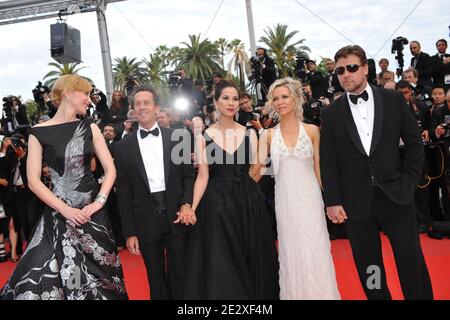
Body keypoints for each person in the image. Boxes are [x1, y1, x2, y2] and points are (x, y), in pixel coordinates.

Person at [320, 45, 433, 300]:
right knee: (370, 268)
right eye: (340, 70)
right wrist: (333, 200)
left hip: (396, 194)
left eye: (351, 68)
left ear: (365, 68)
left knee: (410, 260)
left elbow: (415, 144)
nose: (345, 74)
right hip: (356, 202)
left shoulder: (392, 100)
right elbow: (328, 161)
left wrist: (408, 181)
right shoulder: (331, 113)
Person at [0, 75, 128, 300]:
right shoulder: (38, 132)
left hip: (93, 218)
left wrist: (99, 202)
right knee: (39, 275)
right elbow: (33, 181)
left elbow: (110, 170)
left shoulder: (91, 127)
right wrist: (65, 210)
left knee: (100, 280)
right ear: (68, 93)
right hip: (58, 217)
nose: (90, 100)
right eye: (85, 94)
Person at [183, 80, 279, 299]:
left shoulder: (250, 133)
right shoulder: (202, 138)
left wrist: (243, 190)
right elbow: (203, 176)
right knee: (221, 260)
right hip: (216, 206)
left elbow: (257, 168)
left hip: (248, 203)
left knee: (252, 257)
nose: (231, 103)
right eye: (225, 98)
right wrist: (191, 207)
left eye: (235, 98)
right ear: (216, 102)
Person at [252, 77, 340, 299]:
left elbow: (320, 169)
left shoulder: (312, 131)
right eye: (275, 98)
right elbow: (256, 170)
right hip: (286, 202)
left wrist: (331, 201)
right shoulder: (268, 135)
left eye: (284, 96)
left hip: (310, 200)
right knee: (291, 252)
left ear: (295, 98)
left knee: (316, 249)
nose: (280, 102)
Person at [114, 84, 195, 300]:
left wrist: (187, 203)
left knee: (180, 273)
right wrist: (129, 232)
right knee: (155, 277)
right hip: (145, 217)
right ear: (132, 110)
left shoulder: (178, 137)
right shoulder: (122, 147)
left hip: (176, 214)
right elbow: (123, 192)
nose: (142, 107)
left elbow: (189, 176)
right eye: (137, 104)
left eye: (146, 102)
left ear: (156, 107)